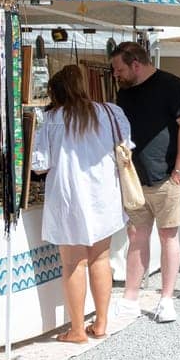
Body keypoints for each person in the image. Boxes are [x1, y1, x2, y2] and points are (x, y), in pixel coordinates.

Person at [31, 65, 130, 344]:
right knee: (100, 259)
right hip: (104, 195)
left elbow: (40, 165)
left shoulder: (51, 118)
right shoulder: (111, 112)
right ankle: (100, 323)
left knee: (74, 263)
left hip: (68, 197)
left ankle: (76, 329)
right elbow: (126, 147)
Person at [111, 41, 180, 325]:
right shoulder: (124, 92)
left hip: (166, 176)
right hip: (134, 178)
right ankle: (131, 298)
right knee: (136, 236)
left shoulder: (172, 84)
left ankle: (166, 299)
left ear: (136, 64)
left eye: (119, 68)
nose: (116, 74)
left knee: (168, 236)